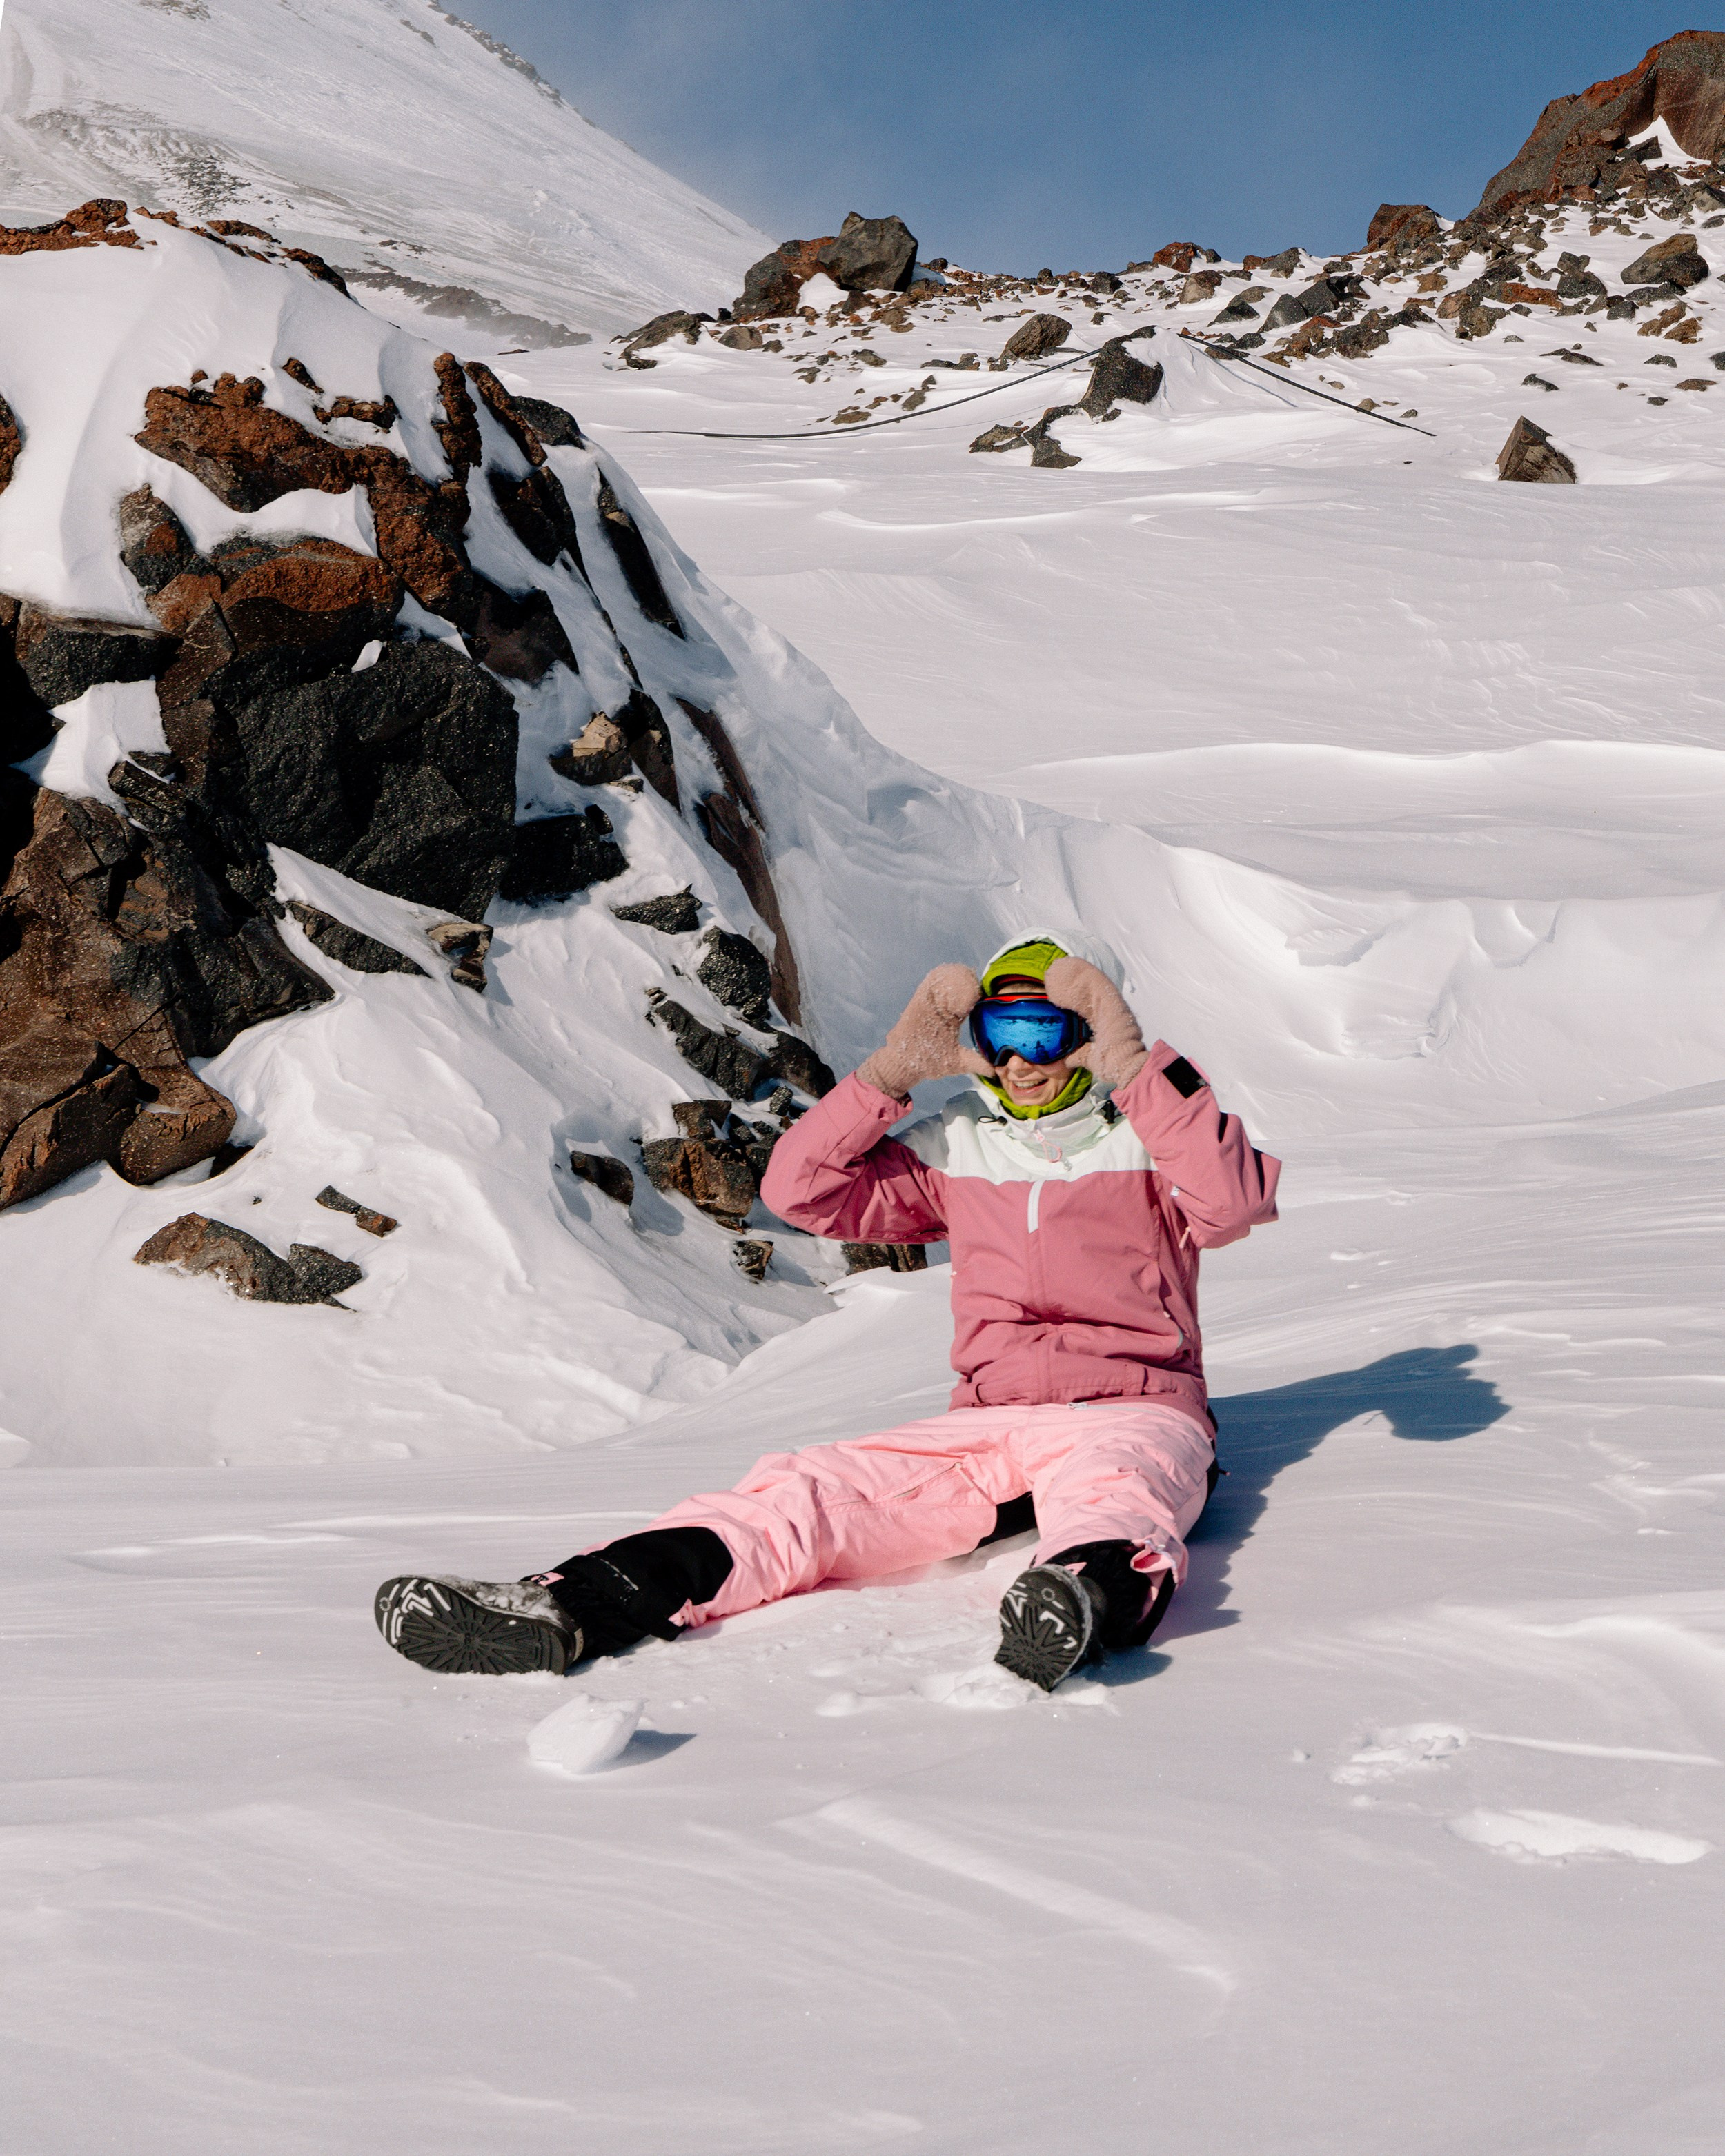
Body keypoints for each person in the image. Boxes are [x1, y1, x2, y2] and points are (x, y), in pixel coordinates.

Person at [375, 936, 1280, 1693]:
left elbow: (1232, 1204)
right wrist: (889, 1074)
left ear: (1087, 1035)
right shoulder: (960, 1141)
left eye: (1046, 1030)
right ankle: (576, 1599)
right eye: (1001, 1030)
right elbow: (799, 1190)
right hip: (990, 1425)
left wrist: (1136, 1069)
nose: (1021, 1059)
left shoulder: (1150, 1132)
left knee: (1117, 1499)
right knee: (808, 1490)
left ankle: (1075, 1601)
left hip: (1136, 1409)